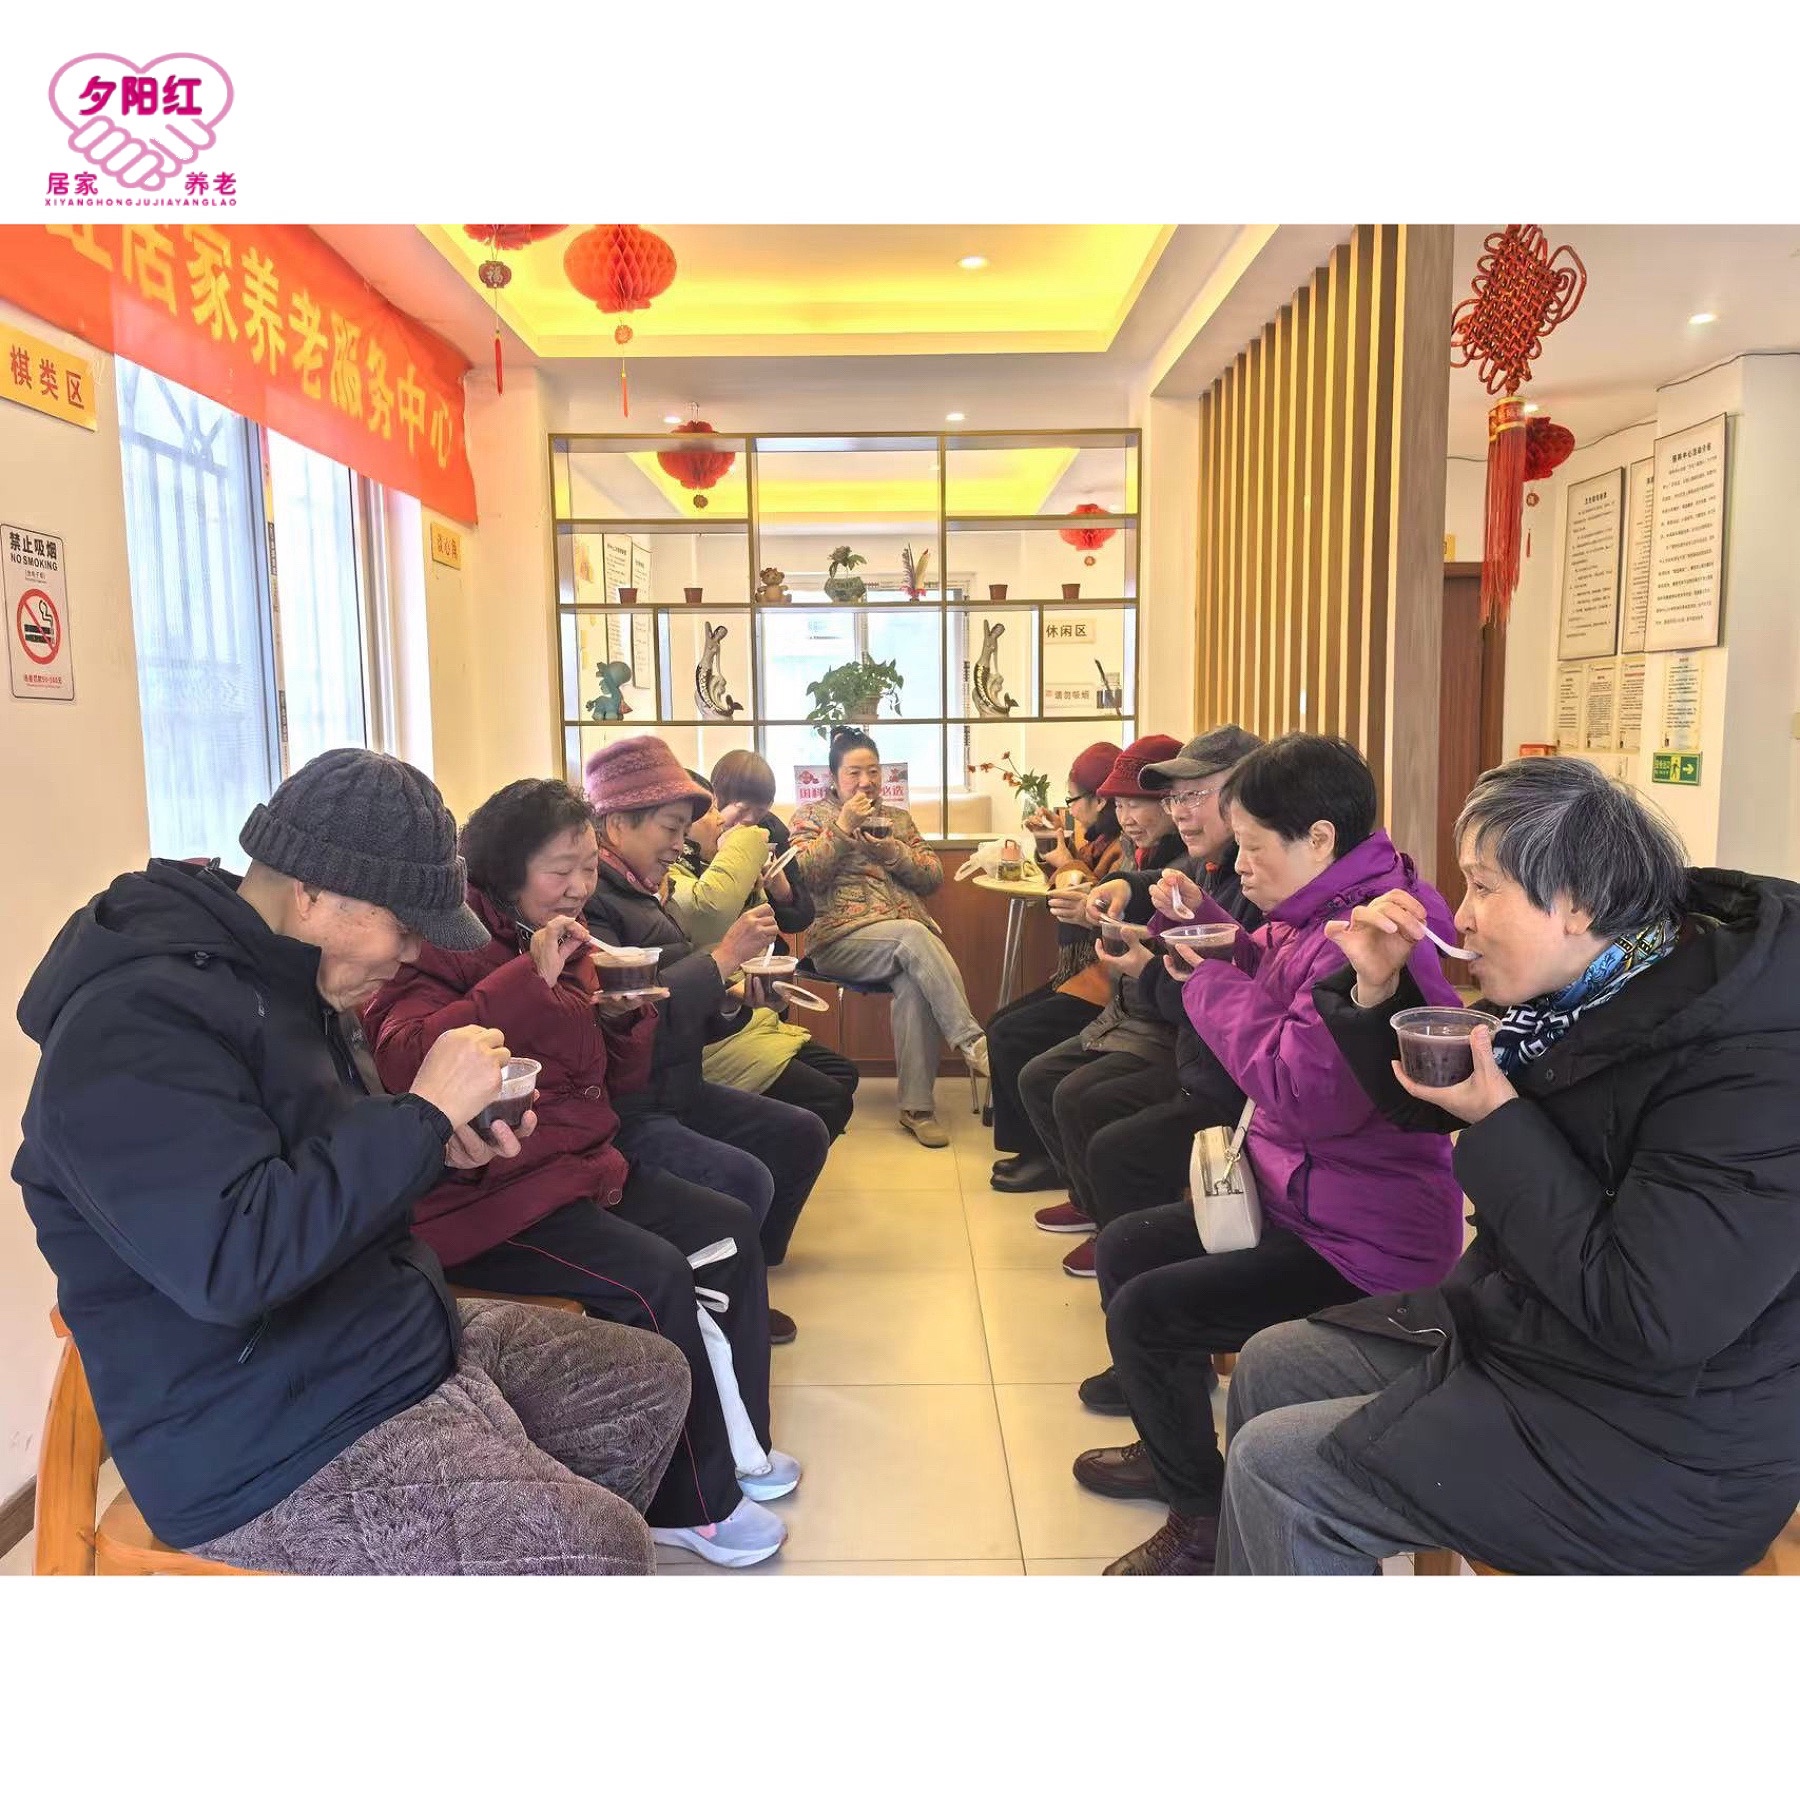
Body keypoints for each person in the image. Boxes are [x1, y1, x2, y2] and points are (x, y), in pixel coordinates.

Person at [13, 749, 690, 1575]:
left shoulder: (292, 982)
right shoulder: (132, 1028)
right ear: (312, 892)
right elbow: (233, 1262)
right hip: (257, 1433)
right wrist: (422, 1115)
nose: (410, 955)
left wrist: (438, 1148)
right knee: (597, 1547)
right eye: (403, 927)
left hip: (365, 1330)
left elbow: (325, 1169)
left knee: (645, 1379)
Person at [1218, 757, 1800, 1576]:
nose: (1459, 915)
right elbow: (1438, 1100)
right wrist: (1378, 989)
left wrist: (1499, 1119)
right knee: (1275, 1363)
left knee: (1280, 1473)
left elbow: (1650, 1316)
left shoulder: (1749, 1065)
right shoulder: (1585, 992)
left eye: (1484, 886)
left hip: (1666, 1443)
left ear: (1579, 903)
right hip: (1537, 1336)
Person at [363, 778, 793, 1568]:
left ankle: (741, 1449)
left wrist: (626, 1020)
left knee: (730, 1228)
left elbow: (612, 1081)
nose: (579, 887)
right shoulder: (440, 943)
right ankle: (687, 1505)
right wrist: (527, 978)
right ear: (505, 868)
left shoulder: (561, 936)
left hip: (574, 1168)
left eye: (588, 868)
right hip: (483, 1196)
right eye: (560, 870)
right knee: (653, 1276)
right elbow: (405, 1058)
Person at [1073, 733, 1465, 1576]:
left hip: (1360, 1243)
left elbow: (1298, 1089)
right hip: (1301, 1198)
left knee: (1148, 1311)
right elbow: (1273, 974)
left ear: (1318, 838)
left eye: (1252, 846)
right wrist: (1206, 929)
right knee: (1129, 1248)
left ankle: (1199, 1517)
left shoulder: (1375, 931)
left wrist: (1203, 979)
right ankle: (1177, 1451)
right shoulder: (1327, 906)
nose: (1239, 864)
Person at [582, 736, 830, 1343]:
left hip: (676, 1082)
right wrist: (722, 960)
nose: (680, 843)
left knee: (801, 1132)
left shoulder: (646, 889)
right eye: (670, 828)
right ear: (616, 822)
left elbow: (678, 1001)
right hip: (629, 1105)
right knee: (746, 1179)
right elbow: (635, 1015)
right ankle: (720, 1307)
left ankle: (746, 1280)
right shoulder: (595, 902)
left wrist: (734, 998)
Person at [1013, 734, 1188, 1272]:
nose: (1127, 816)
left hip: (1163, 1025)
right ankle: (1090, 1201)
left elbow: (1177, 945)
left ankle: (1115, 1227)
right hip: (1126, 1009)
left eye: (1139, 803)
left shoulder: (1191, 862)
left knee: (1074, 1093)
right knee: (1037, 1075)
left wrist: (1097, 914)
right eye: (1120, 804)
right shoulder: (1139, 855)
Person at [789, 728, 988, 1149]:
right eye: (854, 773)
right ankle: (972, 1042)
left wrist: (893, 853)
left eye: (874, 771)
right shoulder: (810, 818)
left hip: (904, 942)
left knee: (914, 980)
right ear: (833, 777)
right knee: (913, 936)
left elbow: (932, 877)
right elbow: (803, 877)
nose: (866, 782)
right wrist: (842, 827)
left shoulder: (897, 819)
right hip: (839, 940)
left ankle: (917, 1108)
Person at [664, 756, 859, 1141]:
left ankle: (787, 1145)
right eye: (738, 808)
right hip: (714, 1012)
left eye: (761, 810)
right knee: (827, 1098)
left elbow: (799, 917)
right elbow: (710, 914)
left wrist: (780, 889)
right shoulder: (681, 865)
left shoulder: (770, 830)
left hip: (756, 979)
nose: (750, 820)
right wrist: (738, 848)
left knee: (840, 1078)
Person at [985, 741, 1125, 1193]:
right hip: (1087, 973)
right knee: (1001, 1024)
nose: (1072, 810)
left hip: (1108, 984)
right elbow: (1069, 887)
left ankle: (1043, 1156)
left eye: (1074, 800)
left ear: (1100, 800)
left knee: (1012, 1033)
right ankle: (1028, 1147)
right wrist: (1054, 847)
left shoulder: (1122, 848)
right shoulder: (1098, 839)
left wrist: (1066, 860)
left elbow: (1096, 901)